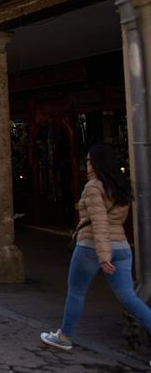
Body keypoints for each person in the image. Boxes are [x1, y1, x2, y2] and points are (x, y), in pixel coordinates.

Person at [40, 144, 151, 351]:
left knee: (76, 292)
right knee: (129, 297)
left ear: (97, 163)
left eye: (89, 160)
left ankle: (64, 337)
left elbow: (100, 221)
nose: (87, 164)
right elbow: (116, 220)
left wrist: (103, 254)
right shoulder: (121, 185)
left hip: (92, 246)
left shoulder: (93, 187)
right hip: (122, 247)